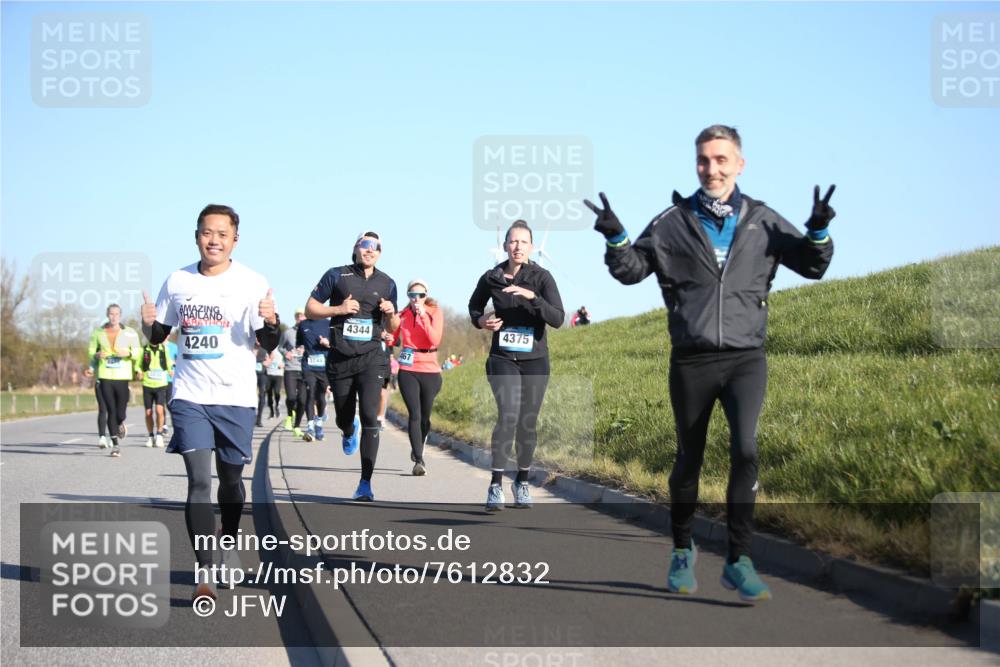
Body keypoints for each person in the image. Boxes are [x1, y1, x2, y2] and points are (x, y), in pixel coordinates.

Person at [585, 124, 836, 602]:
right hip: (692, 359)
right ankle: (682, 550)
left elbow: (811, 263)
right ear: (695, 164)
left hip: (746, 356)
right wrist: (616, 238)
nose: (712, 168)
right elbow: (632, 271)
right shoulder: (671, 221)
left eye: (722, 160)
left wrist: (819, 230)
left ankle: (739, 560)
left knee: (745, 450)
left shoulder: (762, 219)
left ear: (739, 164)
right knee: (689, 458)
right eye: (704, 160)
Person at [141, 203, 280, 602]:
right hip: (189, 394)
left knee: (232, 482)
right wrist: (147, 322)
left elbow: (266, 343)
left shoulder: (253, 283)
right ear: (197, 236)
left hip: (235, 397)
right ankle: (204, 569)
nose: (213, 239)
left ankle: (229, 541)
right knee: (200, 480)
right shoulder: (178, 281)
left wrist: (271, 323)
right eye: (206, 232)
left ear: (235, 239)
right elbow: (157, 336)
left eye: (222, 233)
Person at [469, 220, 564, 511]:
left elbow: (557, 317)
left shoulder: (542, 277)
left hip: (535, 360)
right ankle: (495, 484)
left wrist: (532, 297)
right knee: (508, 416)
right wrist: (481, 321)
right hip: (502, 358)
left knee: (527, 423)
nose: (518, 246)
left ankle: (522, 481)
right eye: (513, 241)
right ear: (505, 245)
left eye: (523, 242)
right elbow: (474, 307)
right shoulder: (491, 277)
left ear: (531, 246)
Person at [305, 232, 399, 502]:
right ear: (356, 249)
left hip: (372, 358)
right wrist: (338, 309)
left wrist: (391, 315)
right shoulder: (336, 275)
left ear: (380, 253)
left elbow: (394, 329)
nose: (370, 250)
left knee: (371, 417)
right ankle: (348, 429)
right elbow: (312, 308)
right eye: (365, 245)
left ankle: (365, 483)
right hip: (341, 358)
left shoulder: (387, 282)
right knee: (344, 417)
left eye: (375, 247)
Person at [392, 279, 444, 476]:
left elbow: (434, 339)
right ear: (408, 296)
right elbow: (393, 336)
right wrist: (389, 335)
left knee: (425, 417)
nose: (416, 299)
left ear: (426, 296)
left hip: (430, 369)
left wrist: (423, 315)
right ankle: (419, 459)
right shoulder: (403, 315)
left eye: (420, 295)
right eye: (412, 295)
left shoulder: (435, 312)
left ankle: (418, 445)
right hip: (408, 368)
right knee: (414, 414)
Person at [87, 304, 142, 458]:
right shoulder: (98, 332)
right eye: (111, 314)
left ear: (120, 315)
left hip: (122, 376)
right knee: (110, 410)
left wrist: (128, 352)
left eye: (117, 314)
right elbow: (91, 351)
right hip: (105, 376)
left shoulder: (130, 333)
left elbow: (138, 352)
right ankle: (115, 446)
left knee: (120, 411)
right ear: (107, 315)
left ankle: (120, 423)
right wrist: (97, 355)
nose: (114, 317)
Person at [297, 315, 332, 442]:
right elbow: (299, 343)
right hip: (308, 367)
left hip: (324, 367)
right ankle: (310, 427)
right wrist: (299, 349)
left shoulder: (329, 323)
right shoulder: (303, 325)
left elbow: (337, 344)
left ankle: (319, 423)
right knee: (310, 394)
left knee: (321, 397)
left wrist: (328, 344)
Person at [140, 338, 174, 447]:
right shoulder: (144, 349)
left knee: (160, 410)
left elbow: (169, 363)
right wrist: (138, 371)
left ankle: (159, 435)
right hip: (147, 384)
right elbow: (138, 365)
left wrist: (170, 370)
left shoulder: (164, 349)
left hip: (161, 384)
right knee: (148, 413)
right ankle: (150, 436)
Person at [281, 308, 307, 432]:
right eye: (298, 316)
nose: (300, 318)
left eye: (302, 316)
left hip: (304, 369)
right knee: (291, 397)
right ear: (296, 318)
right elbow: (280, 347)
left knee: (302, 400)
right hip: (290, 368)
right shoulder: (288, 332)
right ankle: (290, 416)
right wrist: (286, 353)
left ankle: (297, 425)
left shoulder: (309, 332)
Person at [264, 347, 284, 419]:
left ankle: (277, 406)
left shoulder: (280, 349)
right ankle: (271, 411)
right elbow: (264, 361)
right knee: (269, 393)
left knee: (276, 392)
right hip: (268, 374)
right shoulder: (266, 350)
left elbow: (286, 358)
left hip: (278, 374)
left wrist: (283, 364)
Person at [254, 343, 269, 428]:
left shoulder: (265, 347)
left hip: (262, 374)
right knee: (250, 395)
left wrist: (268, 361)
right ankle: (251, 416)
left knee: (262, 395)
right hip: (250, 374)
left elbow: (272, 356)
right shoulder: (248, 345)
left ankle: (259, 419)